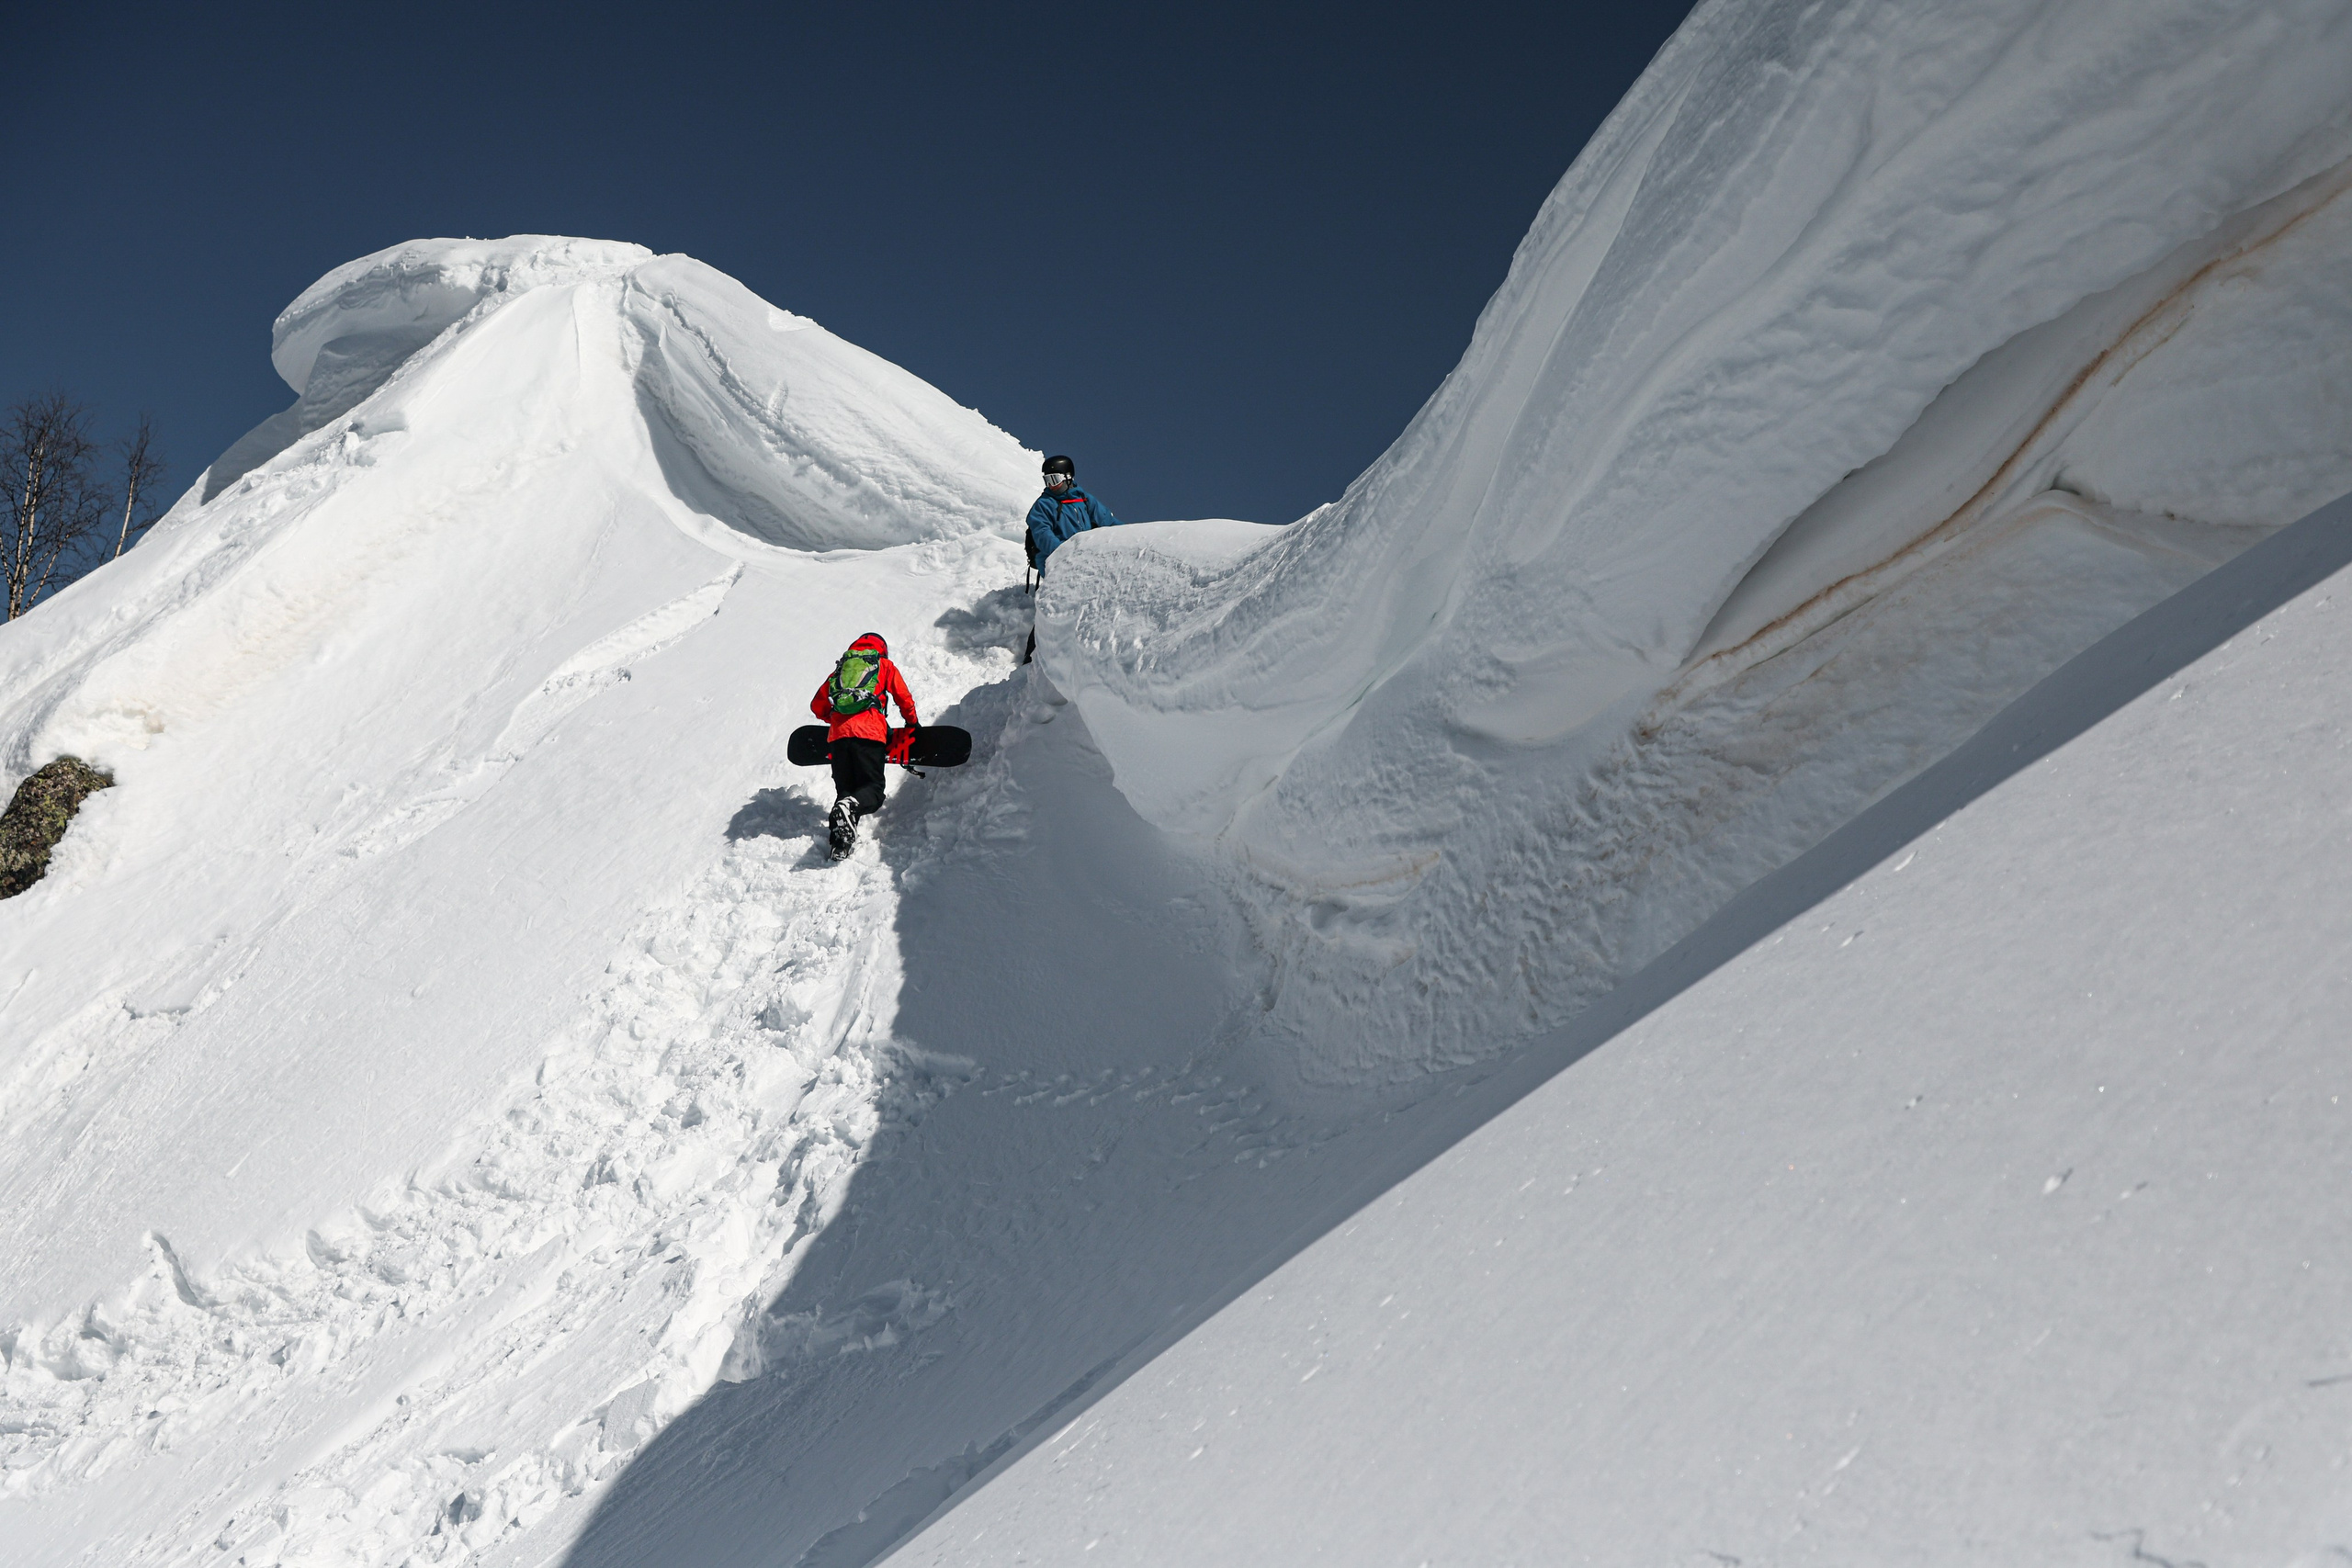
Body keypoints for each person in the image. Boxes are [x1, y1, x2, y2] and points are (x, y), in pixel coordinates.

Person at [810, 632, 920, 858]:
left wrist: (837, 721)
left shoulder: (841, 670)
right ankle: (848, 813)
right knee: (873, 791)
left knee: (846, 791)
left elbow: (817, 706)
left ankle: (840, 845)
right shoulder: (883, 665)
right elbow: (903, 697)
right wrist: (912, 723)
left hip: (838, 739)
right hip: (869, 735)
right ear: (882, 649)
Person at [1023, 454, 1123, 663]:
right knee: (1054, 608)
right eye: (1047, 480)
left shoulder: (1084, 499)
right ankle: (1031, 659)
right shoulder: (1043, 505)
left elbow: (1108, 522)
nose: (1051, 485)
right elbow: (1042, 534)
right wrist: (1064, 555)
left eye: (1055, 479)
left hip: (1083, 562)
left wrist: (1133, 540)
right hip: (1055, 562)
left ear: (1068, 477)